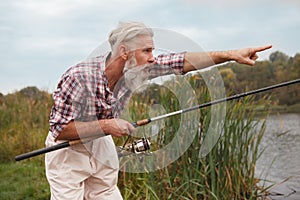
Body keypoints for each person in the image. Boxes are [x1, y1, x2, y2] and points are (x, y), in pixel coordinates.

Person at [45, 21, 272, 199]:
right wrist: (107, 124)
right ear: (124, 52)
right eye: (147, 50)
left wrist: (230, 55)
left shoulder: (139, 69)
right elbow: (61, 130)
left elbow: (181, 61)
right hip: (68, 149)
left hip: (101, 141)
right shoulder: (79, 77)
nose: (153, 58)